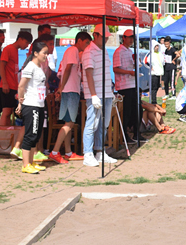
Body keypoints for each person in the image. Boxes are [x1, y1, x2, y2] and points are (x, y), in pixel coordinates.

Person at [49, 32, 91, 164]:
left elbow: (64, 71)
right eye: (86, 43)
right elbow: (67, 69)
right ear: (79, 40)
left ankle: (68, 152)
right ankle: (55, 152)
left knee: (68, 122)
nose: (87, 46)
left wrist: (61, 88)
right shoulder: (73, 50)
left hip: (69, 90)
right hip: (70, 90)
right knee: (70, 123)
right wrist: (61, 88)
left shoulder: (70, 51)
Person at [81, 25, 117, 167]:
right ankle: (88, 153)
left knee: (103, 124)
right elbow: (88, 74)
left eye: (107, 37)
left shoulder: (104, 51)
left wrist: (111, 91)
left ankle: (100, 151)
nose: (106, 39)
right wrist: (93, 95)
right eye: (104, 37)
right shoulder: (89, 51)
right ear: (95, 35)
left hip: (106, 92)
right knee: (92, 123)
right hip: (96, 94)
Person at [16, 41, 49, 175]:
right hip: (31, 105)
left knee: (36, 135)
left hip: (39, 104)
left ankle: (31, 161)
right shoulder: (30, 67)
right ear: (35, 53)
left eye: (47, 53)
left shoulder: (39, 67)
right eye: (44, 53)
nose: (46, 56)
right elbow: (21, 85)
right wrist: (20, 101)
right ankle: (26, 165)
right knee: (30, 134)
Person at [0, 31, 33, 128]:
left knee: (10, 111)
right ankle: (2, 133)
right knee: (6, 111)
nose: (27, 45)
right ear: (20, 39)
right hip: (7, 85)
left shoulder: (15, 50)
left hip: (13, 85)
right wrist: (4, 83)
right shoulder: (8, 49)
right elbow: (1, 66)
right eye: (26, 42)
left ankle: (7, 132)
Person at [113, 29, 140, 142]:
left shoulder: (129, 51)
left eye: (132, 38)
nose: (131, 40)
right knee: (126, 112)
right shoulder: (119, 51)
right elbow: (115, 69)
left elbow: (132, 66)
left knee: (136, 109)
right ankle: (124, 135)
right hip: (124, 86)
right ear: (123, 38)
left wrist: (136, 62)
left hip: (131, 83)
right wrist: (129, 72)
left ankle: (136, 133)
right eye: (129, 37)